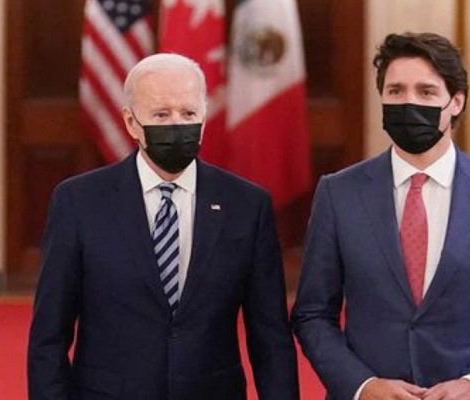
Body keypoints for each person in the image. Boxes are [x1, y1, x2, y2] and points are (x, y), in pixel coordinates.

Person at [291, 32, 470, 400]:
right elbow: (312, 314)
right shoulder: (338, 193)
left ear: (456, 102)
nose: (409, 102)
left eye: (426, 92)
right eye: (396, 91)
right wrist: (362, 386)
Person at [28, 53, 299, 400]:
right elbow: (49, 335)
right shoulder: (79, 202)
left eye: (188, 113)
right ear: (131, 122)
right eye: (161, 114)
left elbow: (270, 337)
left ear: (204, 116)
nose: (177, 124)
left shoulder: (247, 205)